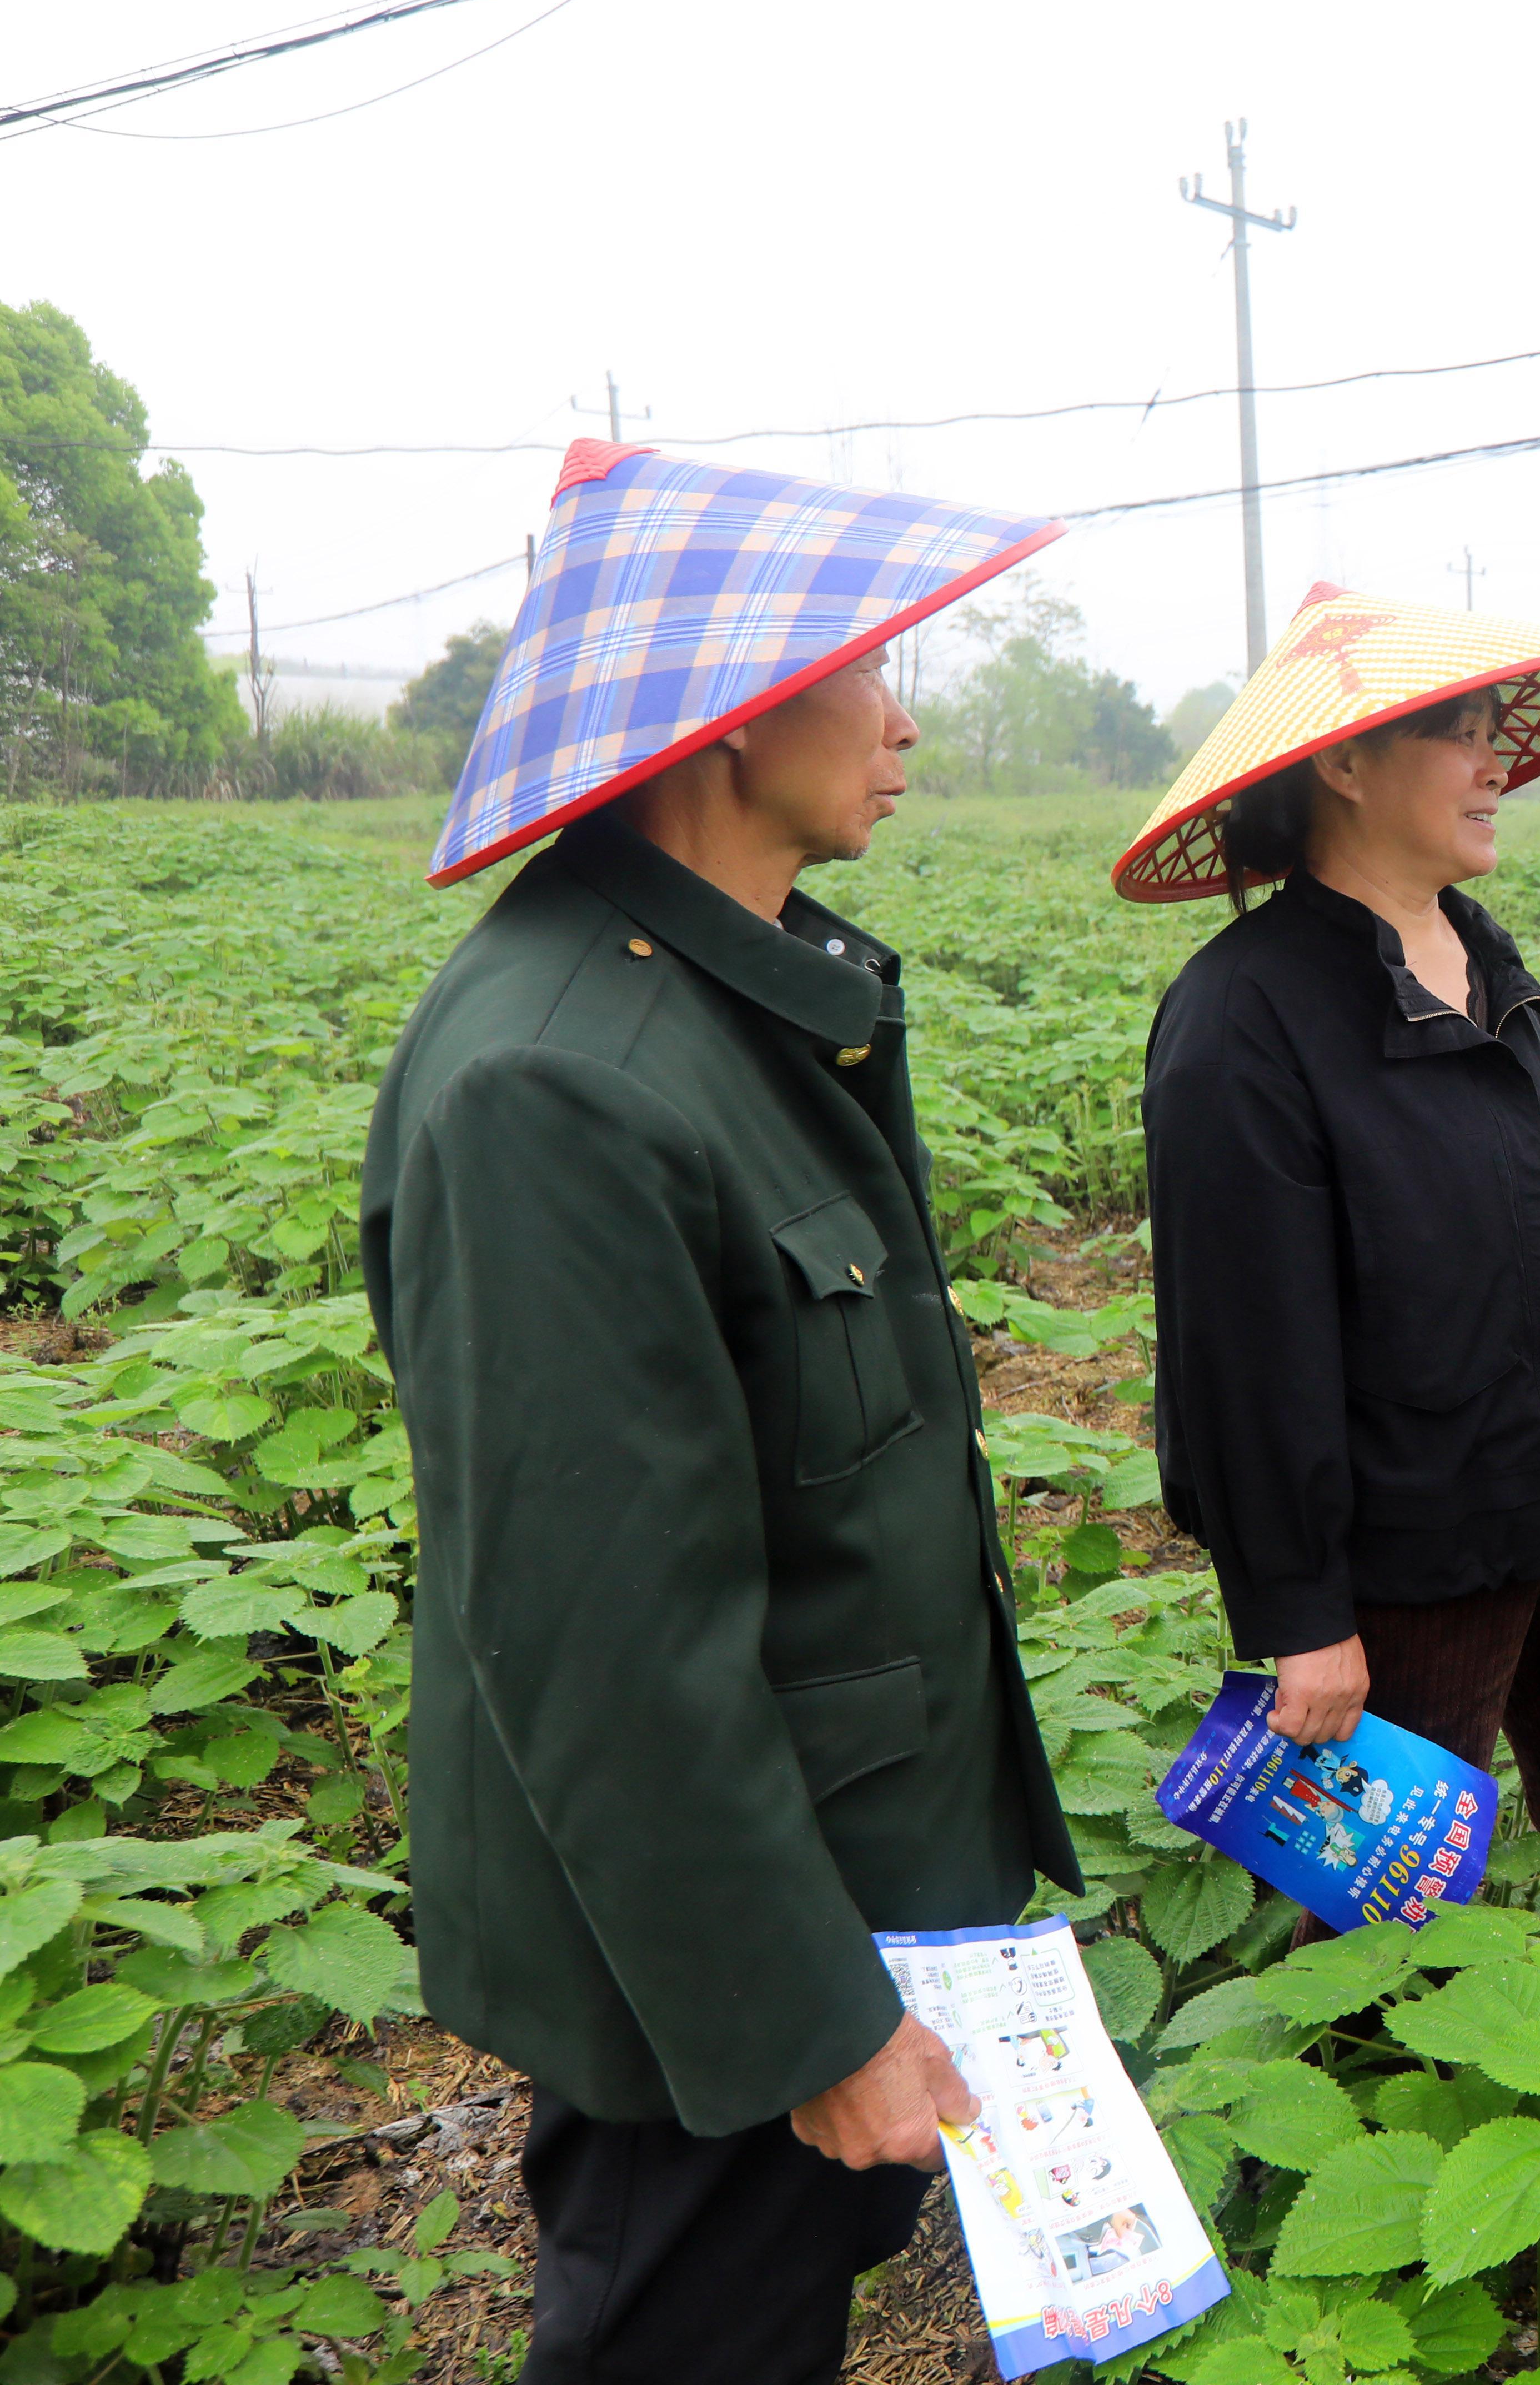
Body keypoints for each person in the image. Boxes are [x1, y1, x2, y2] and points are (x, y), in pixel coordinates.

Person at [360, 443, 1078, 2381]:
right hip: (711, 1970)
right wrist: (803, 2023)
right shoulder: (558, 1078)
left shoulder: (732, 1005)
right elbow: (608, 1642)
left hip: (831, 1881)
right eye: (867, 669)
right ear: (733, 709)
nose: (905, 716)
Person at [1121, 583, 1540, 1941]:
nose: (1502, 763)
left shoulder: (1481, 951)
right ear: (1344, 762)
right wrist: (1301, 1611)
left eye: (1503, 729)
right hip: (1415, 1542)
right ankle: (1370, 2127)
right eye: (1463, 732)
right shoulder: (1242, 1017)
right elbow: (1243, 1347)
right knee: (1386, 1915)